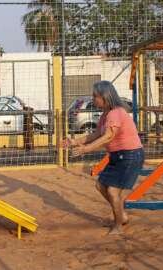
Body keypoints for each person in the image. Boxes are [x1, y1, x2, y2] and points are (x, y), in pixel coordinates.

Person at [62, 81, 144, 235]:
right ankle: (122, 216)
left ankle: (118, 225)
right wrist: (74, 142)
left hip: (129, 155)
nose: (93, 99)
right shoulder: (106, 115)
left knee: (112, 191)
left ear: (105, 97)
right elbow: (96, 134)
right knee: (100, 186)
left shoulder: (116, 112)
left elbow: (108, 136)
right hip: (117, 156)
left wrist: (86, 149)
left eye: (95, 96)